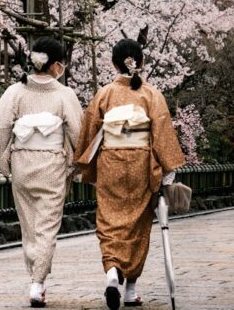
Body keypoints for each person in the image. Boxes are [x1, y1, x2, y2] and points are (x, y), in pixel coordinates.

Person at [74, 39, 186, 310]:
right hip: (140, 164)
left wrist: (85, 168)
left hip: (111, 163)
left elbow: (89, 133)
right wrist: (167, 174)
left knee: (110, 221)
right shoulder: (151, 95)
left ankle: (113, 273)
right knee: (138, 224)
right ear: (141, 63)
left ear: (114, 64)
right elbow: (162, 137)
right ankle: (131, 289)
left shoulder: (104, 95)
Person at [0, 37, 82, 308]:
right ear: (55, 65)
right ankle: (38, 282)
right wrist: (76, 162)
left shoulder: (15, 92)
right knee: (47, 226)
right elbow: (78, 131)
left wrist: (3, 153)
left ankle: (34, 277)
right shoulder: (65, 95)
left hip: (22, 163)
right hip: (52, 164)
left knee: (29, 224)